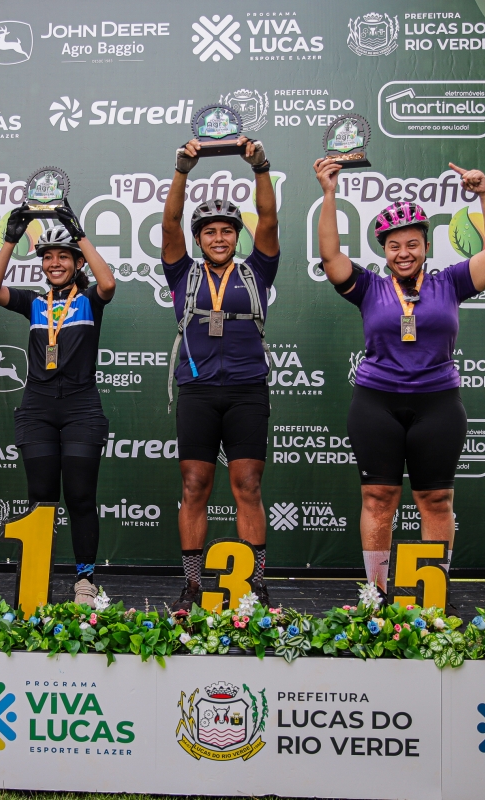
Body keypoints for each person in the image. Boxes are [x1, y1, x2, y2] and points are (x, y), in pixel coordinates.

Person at [314, 159, 485, 590]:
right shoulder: (368, 287)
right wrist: (329, 194)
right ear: (384, 251)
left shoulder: (450, 283)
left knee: (435, 499)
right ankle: (376, 593)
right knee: (378, 497)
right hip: (376, 403)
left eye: (412, 244)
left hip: (437, 404)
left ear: (426, 246)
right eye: (394, 246)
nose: (403, 253)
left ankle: (431, 594)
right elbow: (330, 255)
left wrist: (484, 193)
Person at [161, 135, 278, 613]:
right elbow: (169, 222)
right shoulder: (181, 273)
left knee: (248, 485)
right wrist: (182, 171)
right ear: (198, 239)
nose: (218, 238)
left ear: (237, 236)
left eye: (227, 231)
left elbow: (268, 219)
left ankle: (255, 583)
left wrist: (261, 169)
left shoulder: (257, 271)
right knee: (194, 486)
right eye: (209, 232)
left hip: (247, 389)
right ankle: (193, 585)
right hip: (197, 391)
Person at [0, 203, 116, 605]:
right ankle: (36, 579)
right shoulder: (34, 303)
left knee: (79, 497)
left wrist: (79, 234)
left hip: (81, 409)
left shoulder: (90, 299)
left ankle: (84, 582)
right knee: (40, 500)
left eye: (64, 256)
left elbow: (108, 283)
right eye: (47, 257)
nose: (55, 263)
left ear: (77, 262)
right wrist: (11, 240)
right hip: (38, 409)